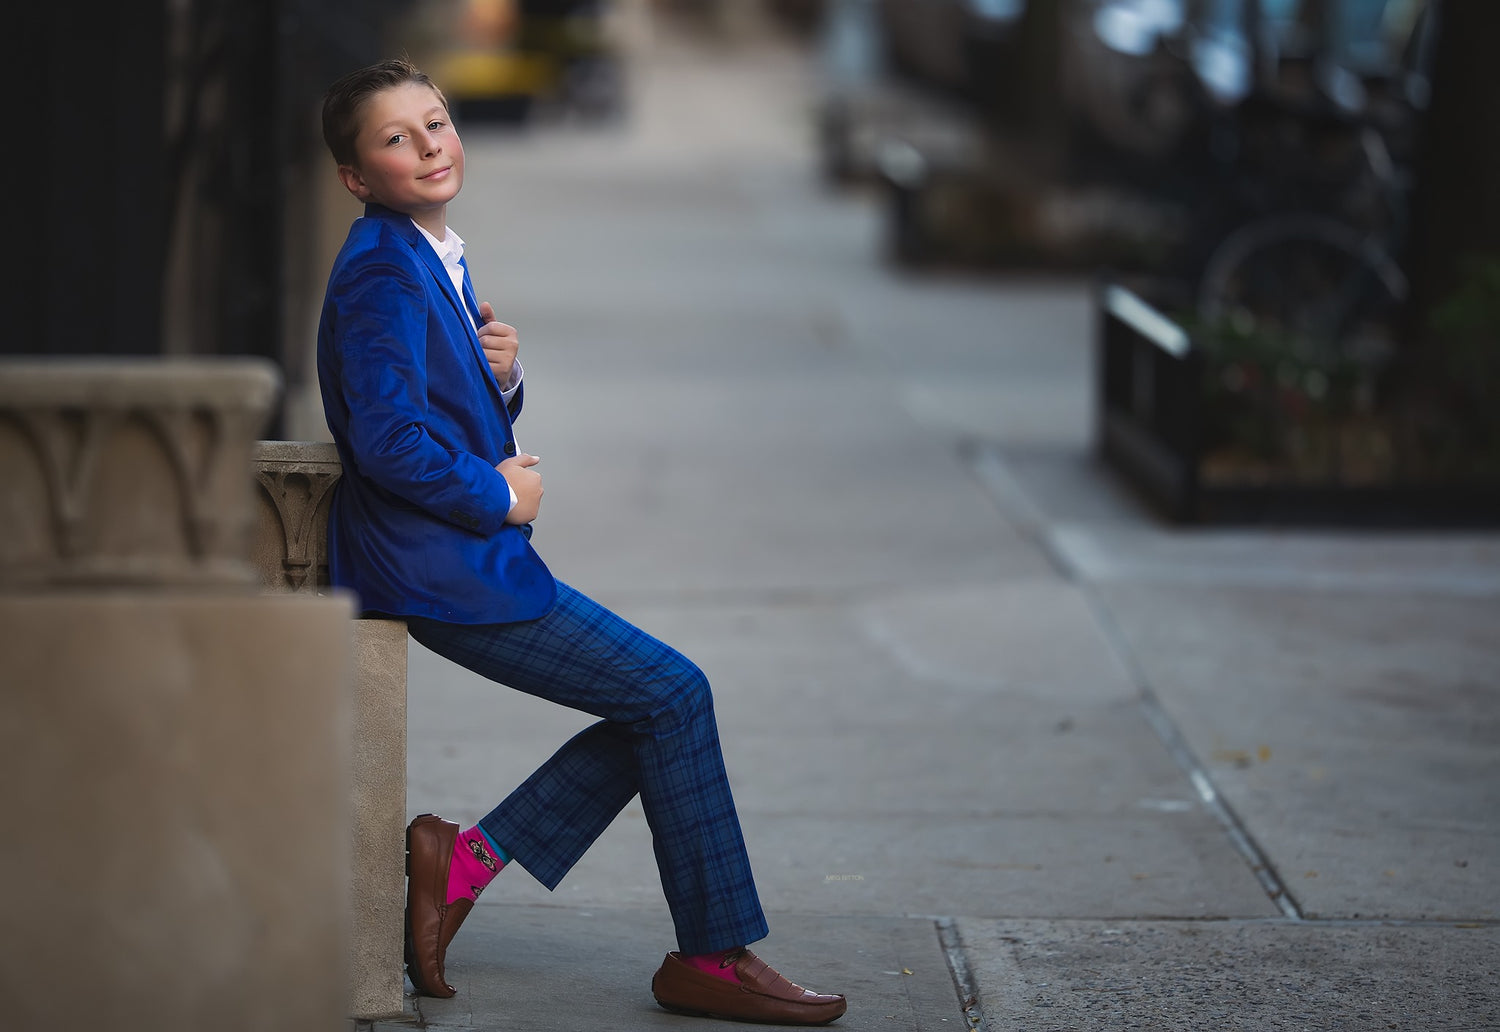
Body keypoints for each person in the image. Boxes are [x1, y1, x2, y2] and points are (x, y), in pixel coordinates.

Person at [316, 56, 847, 1026]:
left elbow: (432, 407)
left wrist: (501, 380)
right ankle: (708, 956)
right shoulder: (382, 272)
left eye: (436, 122)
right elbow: (388, 442)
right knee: (672, 694)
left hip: (459, 558)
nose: (429, 145)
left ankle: (467, 864)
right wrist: (499, 495)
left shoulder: (428, 252)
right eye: (396, 138)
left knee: (660, 703)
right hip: (437, 566)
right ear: (356, 177)